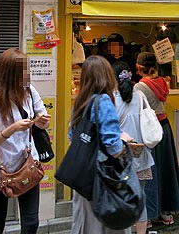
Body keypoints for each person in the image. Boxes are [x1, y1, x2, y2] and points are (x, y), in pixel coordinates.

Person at [0, 48, 51, 234]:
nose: (28, 75)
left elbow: (42, 123)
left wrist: (42, 122)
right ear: (9, 74)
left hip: (28, 166)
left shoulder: (30, 92)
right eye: (23, 71)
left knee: (31, 222)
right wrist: (12, 129)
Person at [69, 55, 135, 234]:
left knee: (84, 225)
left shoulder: (80, 101)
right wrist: (123, 139)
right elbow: (113, 149)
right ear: (106, 76)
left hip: (82, 176)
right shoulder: (103, 101)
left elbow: (71, 136)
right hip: (101, 178)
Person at [133, 52, 179, 227]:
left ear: (139, 68)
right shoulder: (163, 82)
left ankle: (148, 216)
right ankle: (167, 213)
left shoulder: (139, 87)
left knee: (149, 172)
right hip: (164, 128)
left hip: (148, 132)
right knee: (166, 168)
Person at [112, 61, 155, 234]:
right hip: (141, 155)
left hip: (120, 157)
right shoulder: (140, 97)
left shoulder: (110, 100)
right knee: (139, 200)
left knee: (120, 200)